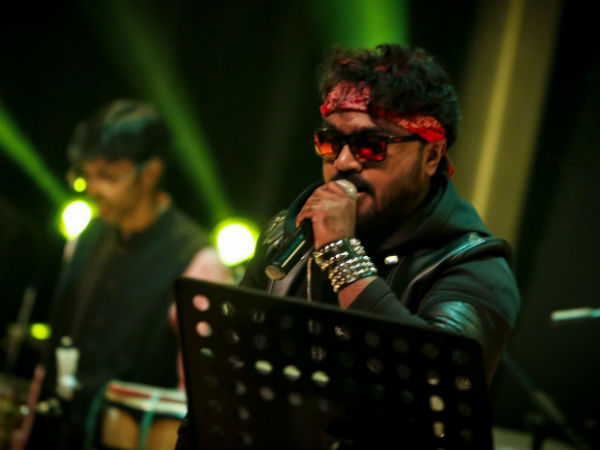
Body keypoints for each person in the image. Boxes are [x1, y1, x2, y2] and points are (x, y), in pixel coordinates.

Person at [175, 43, 520, 449]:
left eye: (370, 145)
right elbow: (222, 382)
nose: (343, 162)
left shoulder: (473, 265)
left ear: (431, 155)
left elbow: (432, 383)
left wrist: (342, 253)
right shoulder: (287, 235)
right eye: (329, 142)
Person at [24, 100, 232, 450]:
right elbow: (52, 355)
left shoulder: (198, 261)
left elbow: (199, 397)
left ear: (150, 173)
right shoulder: (85, 238)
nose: (94, 188)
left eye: (108, 176)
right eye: (87, 175)